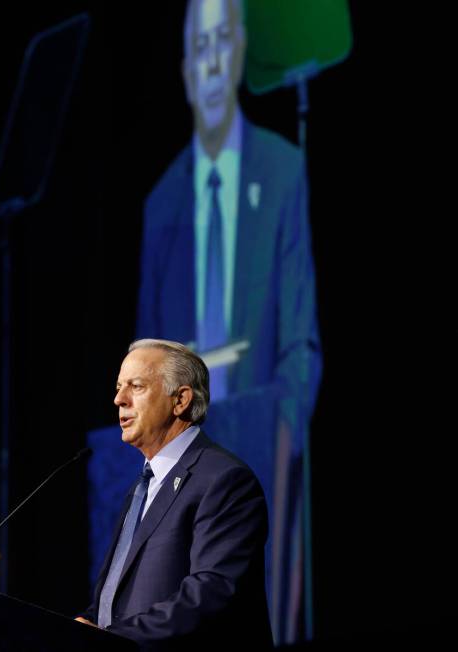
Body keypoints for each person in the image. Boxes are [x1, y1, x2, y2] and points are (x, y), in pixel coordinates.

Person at [135, 0, 322, 641]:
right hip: (186, 465)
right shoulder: (161, 203)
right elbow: (145, 362)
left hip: (263, 453)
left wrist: (284, 434)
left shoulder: (283, 170)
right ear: (186, 69)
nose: (212, 64)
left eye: (223, 43)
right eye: (199, 49)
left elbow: (302, 342)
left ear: (239, 52)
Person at [77, 339, 273, 649]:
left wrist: (112, 639)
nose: (118, 399)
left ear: (180, 400)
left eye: (136, 386)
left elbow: (211, 593)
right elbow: (116, 600)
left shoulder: (224, 480)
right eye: (118, 387)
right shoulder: (142, 487)